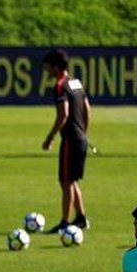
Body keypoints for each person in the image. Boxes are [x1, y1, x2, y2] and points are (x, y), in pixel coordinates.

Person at [41, 49, 91, 233]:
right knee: (72, 180)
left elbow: (64, 114)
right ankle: (81, 218)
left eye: (47, 66)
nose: (46, 70)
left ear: (55, 66)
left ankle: (64, 222)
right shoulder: (76, 83)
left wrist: (50, 137)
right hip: (80, 137)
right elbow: (87, 109)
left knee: (65, 182)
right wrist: (84, 132)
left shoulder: (60, 85)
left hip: (70, 139)